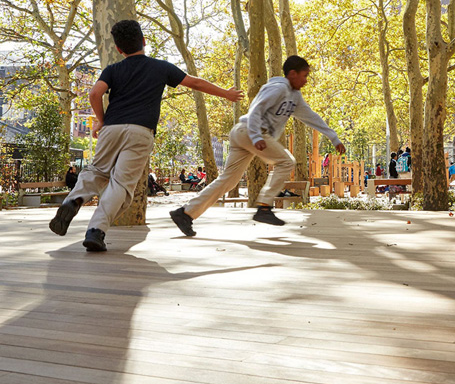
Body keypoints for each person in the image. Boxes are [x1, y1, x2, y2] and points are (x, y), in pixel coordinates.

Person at [49, 20, 242, 253]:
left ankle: (73, 200)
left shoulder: (113, 69)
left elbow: (94, 93)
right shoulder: (161, 67)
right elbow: (195, 82)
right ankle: (95, 231)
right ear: (144, 41)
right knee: (120, 184)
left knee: (97, 171)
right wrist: (227, 94)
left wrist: (102, 120)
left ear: (119, 50)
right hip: (141, 131)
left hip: (112, 128)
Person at [169, 55, 346, 234]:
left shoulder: (295, 96)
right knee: (286, 162)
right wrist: (255, 136)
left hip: (243, 134)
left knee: (228, 181)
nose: (306, 80)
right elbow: (256, 109)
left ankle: (185, 213)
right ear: (292, 74)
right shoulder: (278, 88)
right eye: (304, 75)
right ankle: (264, 207)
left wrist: (334, 138)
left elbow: (310, 116)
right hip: (251, 131)